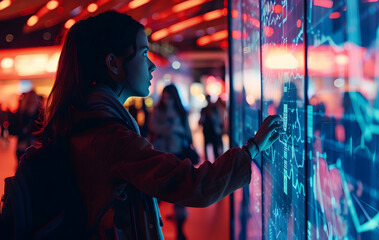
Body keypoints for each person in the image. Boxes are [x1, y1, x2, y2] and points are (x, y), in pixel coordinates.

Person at [39, 11, 282, 240]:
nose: (152, 66)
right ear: (113, 64)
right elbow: (194, 184)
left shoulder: (81, 121)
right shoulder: (113, 138)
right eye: (143, 54)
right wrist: (252, 148)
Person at [148, 84, 194, 240]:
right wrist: (172, 128)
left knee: (180, 193)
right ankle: (151, 223)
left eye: (169, 96)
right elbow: (154, 127)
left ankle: (180, 230)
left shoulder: (181, 112)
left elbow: (186, 132)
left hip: (178, 153)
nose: (166, 99)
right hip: (161, 154)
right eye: (165, 96)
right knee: (158, 191)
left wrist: (172, 129)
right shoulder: (158, 110)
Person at [8, 90, 43, 161]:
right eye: (30, 100)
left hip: (35, 147)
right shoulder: (20, 115)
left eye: (33, 99)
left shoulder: (40, 114)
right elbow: (12, 130)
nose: (32, 101)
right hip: (23, 147)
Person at [199, 94, 224, 161]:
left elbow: (218, 119)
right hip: (208, 131)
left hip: (213, 131)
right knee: (208, 148)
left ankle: (216, 163)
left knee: (215, 149)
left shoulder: (214, 108)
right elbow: (200, 121)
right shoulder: (205, 109)